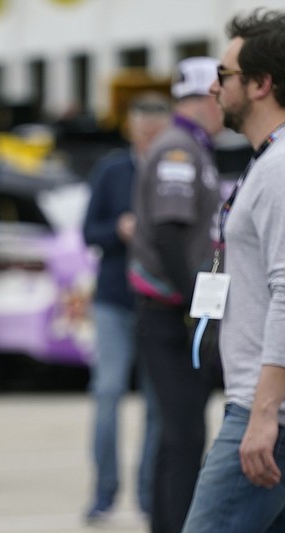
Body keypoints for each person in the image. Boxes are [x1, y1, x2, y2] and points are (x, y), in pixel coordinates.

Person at [183, 9, 285, 532]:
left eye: (224, 77)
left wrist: (265, 413)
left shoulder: (280, 168)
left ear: (261, 84)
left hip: (265, 411)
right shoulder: (267, 162)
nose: (214, 89)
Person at [128, 56, 225, 533]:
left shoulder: (191, 145)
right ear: (210, 96)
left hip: (175, 311)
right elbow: (169, 235)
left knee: (180, 435)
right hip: (172, 314)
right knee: (184, 436)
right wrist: (199, 307)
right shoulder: (179, 151)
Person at [81, 92, 170, 522]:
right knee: (107, 393)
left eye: (158, 131)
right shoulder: (112, 170)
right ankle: (104, 492)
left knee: (158, 403)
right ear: (132, 128)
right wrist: (118, 229)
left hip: (159, 303)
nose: (150, 138)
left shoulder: (174, 169)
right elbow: (89, 232)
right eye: (144, 130)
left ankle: (151, 495)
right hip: (114, 300)